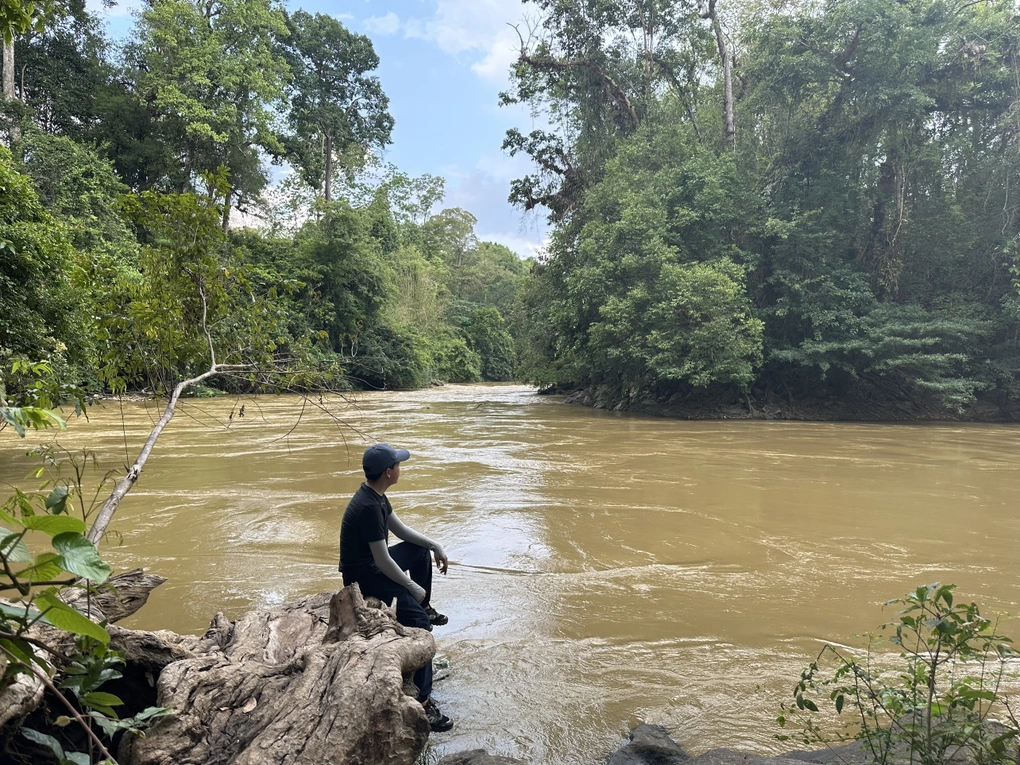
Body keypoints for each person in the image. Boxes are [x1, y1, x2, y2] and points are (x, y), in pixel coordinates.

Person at [338, 442, 454, 733]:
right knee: (420, 625)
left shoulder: (376, 496)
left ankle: (424, 606)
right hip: (364, 576)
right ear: (388, 472)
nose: (401, 468)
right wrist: (412, 586)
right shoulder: (368, 507)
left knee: (419, 551)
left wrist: (435, 545)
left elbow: (401, 531)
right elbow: (382, 560)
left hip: (374, 565)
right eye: (398, 465)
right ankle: (423, 702)